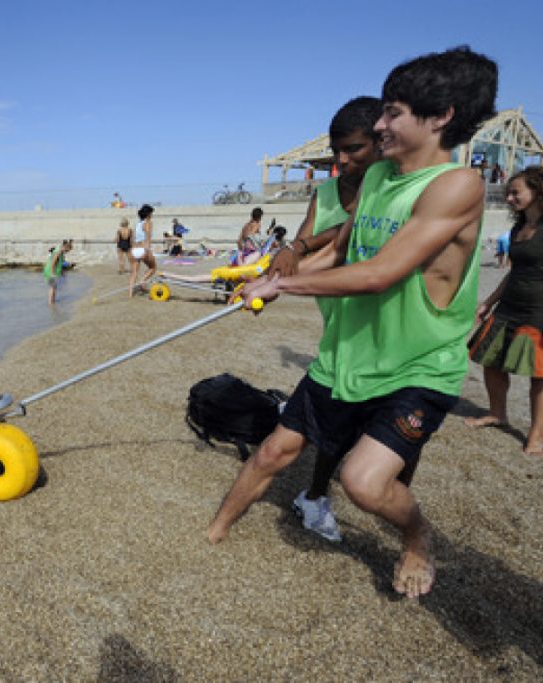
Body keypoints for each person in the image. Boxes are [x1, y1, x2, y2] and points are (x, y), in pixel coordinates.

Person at [208, 46, 498, 600]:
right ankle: (215, 528)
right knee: (274, 451)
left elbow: (379, 273)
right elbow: (342, 251)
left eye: (393, 112)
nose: (381, 123)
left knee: (363, 482)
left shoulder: (456, 187)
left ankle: (417, 538)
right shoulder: (378, 175)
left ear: (441, 117)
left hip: (418, 365)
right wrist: (264, 281)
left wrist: (283, 285)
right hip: (349, 352)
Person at [261, 96, 384, 540]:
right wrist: (280, 267)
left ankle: (330, 494)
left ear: (381, 142)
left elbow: (343, 244)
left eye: (353, 149)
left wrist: (300, 255)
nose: (341, 160)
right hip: (338, 313)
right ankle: (316, 495)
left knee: (370, 419)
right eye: (336, 151)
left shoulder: (386, 189)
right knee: (339, 414)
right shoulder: (326, 192)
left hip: (379, 313)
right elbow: (305, 244)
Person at [465, 167, 543, 456]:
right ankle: (497, 413)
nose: (509, 198)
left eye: (515, 192)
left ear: (537, 191)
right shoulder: (517, 229)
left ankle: (536, 435)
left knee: (539, 375)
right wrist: (488, 302)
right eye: (508, 193)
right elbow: (513, 273)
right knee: (491, 360)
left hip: (539, 312)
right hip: (509, 305)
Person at [128, 204, 157, 297]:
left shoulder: (138, 224)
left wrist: (132, 249)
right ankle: (142, 281)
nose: (152, 215)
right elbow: (148, 238)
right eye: (151, 213)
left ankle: (130, 294)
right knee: (153, 268)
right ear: (148, 214)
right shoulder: (148, 223)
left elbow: (133, 238)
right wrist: (147, 250)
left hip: (134, 250)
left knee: (134, 273)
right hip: (143, 249)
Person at [44, 239, 73, 305]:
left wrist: (67, 266)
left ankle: (52, 301)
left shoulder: (61, 252)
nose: (68, 252)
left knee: (54, 287)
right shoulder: (59, 252)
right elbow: (53, 262)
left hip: (52, 271)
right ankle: (50, 303)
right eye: (68, 250)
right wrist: (52, 273)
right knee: (52, 287)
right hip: (50, 271)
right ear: (65, 247)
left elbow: (61, 263)